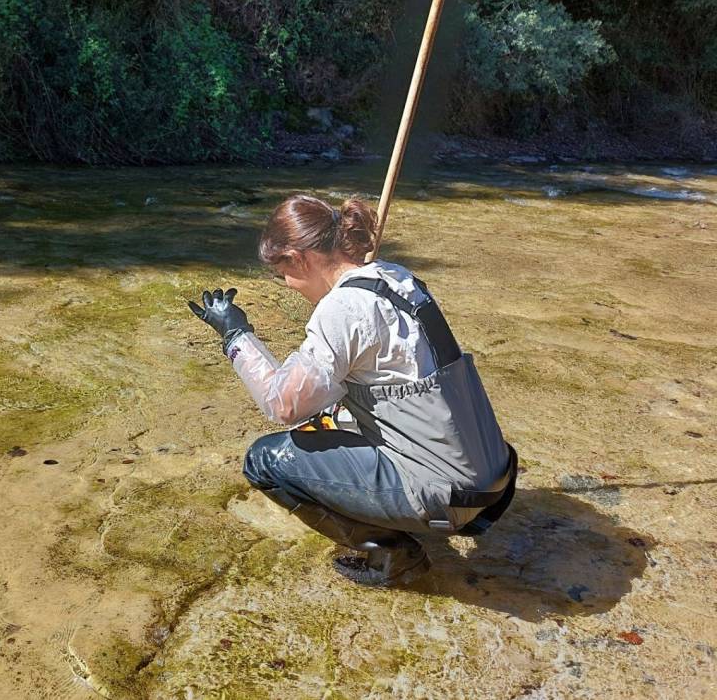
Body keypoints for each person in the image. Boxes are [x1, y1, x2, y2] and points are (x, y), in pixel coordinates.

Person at [188, 194, 516, 586]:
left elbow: (283, 404)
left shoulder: (344, 309)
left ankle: (395, 554)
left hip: (450, 494)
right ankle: (426, 517)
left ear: (298, 258)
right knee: (327, 420)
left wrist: (235, 335)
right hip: (491, 476)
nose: (288, 286)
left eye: (283, 274)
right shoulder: (397, 277)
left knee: (265, 460)